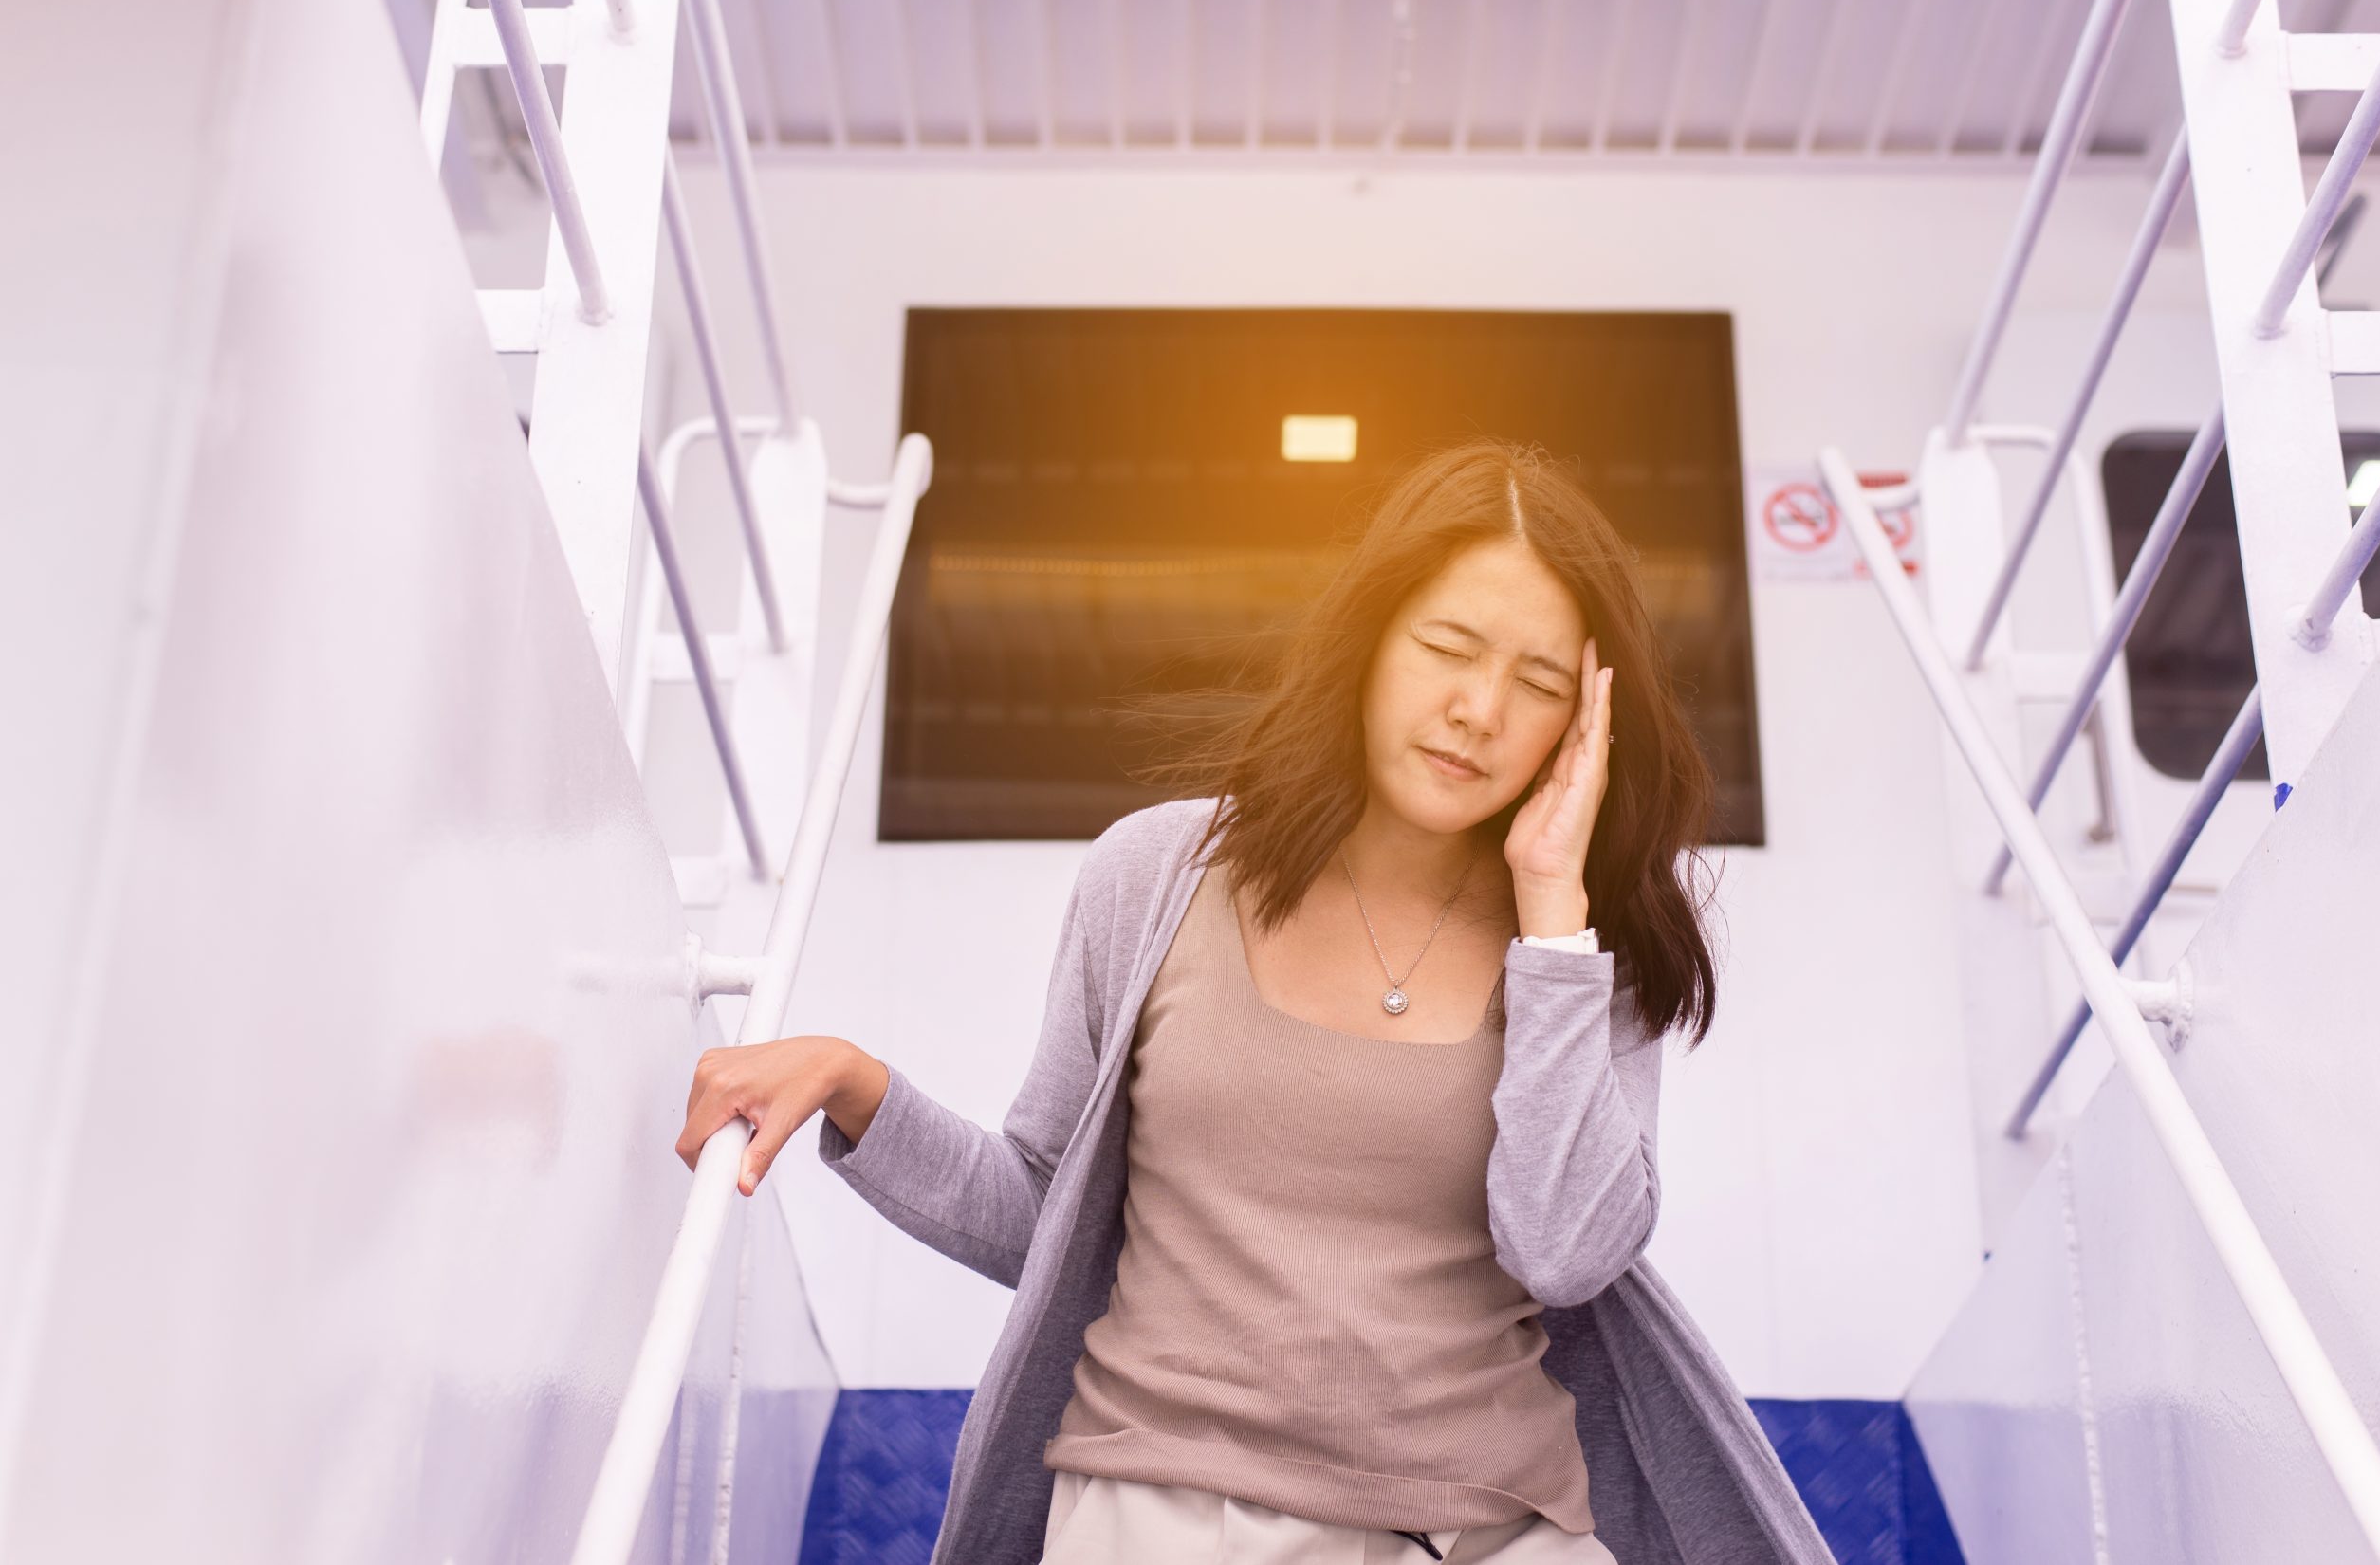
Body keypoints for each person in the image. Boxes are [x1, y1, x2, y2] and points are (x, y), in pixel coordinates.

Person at [675, 438, 1835, 1565]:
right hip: (1169, 1514)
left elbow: (1567, 1251)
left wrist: (1551, 915)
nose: (1480, 708)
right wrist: (856, 1085)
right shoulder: (1156, 874)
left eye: (1537, 682)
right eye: (1447, 645)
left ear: (1584, 724)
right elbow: (1044, 1215)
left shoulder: (1583, 949)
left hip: (1499, 1528)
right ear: (1369, 640)